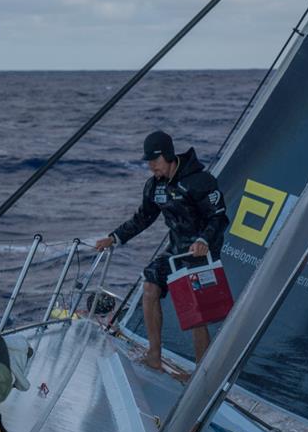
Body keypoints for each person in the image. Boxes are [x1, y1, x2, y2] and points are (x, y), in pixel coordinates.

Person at [96, 130, 228, 370]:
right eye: (148, 161)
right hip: (176, 250)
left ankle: (200, 373)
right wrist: (114, 237)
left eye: (154, 161)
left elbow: (218, 218)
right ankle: (154, 356)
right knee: (150, 283)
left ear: (168, 156)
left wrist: (203, 241)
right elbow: (143, 217)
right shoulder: (155, 186)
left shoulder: (199, 181)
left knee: (195, 311)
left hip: (201, 252)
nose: (151, 167)